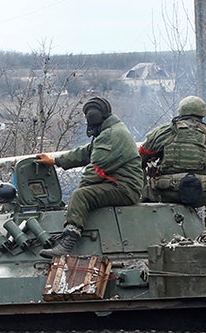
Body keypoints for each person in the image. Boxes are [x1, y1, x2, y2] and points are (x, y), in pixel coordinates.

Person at [36, 97, 143, 258]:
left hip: (124, 188)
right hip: (119, 184)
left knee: (80, 195)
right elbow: (85, 153)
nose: (86, 122)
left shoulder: (112, 135)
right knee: (80, 195)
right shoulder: (109, 131)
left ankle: (68, 242)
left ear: (94, 116)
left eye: (87, 117)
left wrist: (77, 201)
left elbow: (95, 171)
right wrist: (55, 161)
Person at [138, 95, 206, 217]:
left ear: (181, 111)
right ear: (203, 113)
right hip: (201, 194)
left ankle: (145, 217)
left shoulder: (164, 132)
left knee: (144, 183)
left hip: (165, 192)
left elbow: (140, 159)